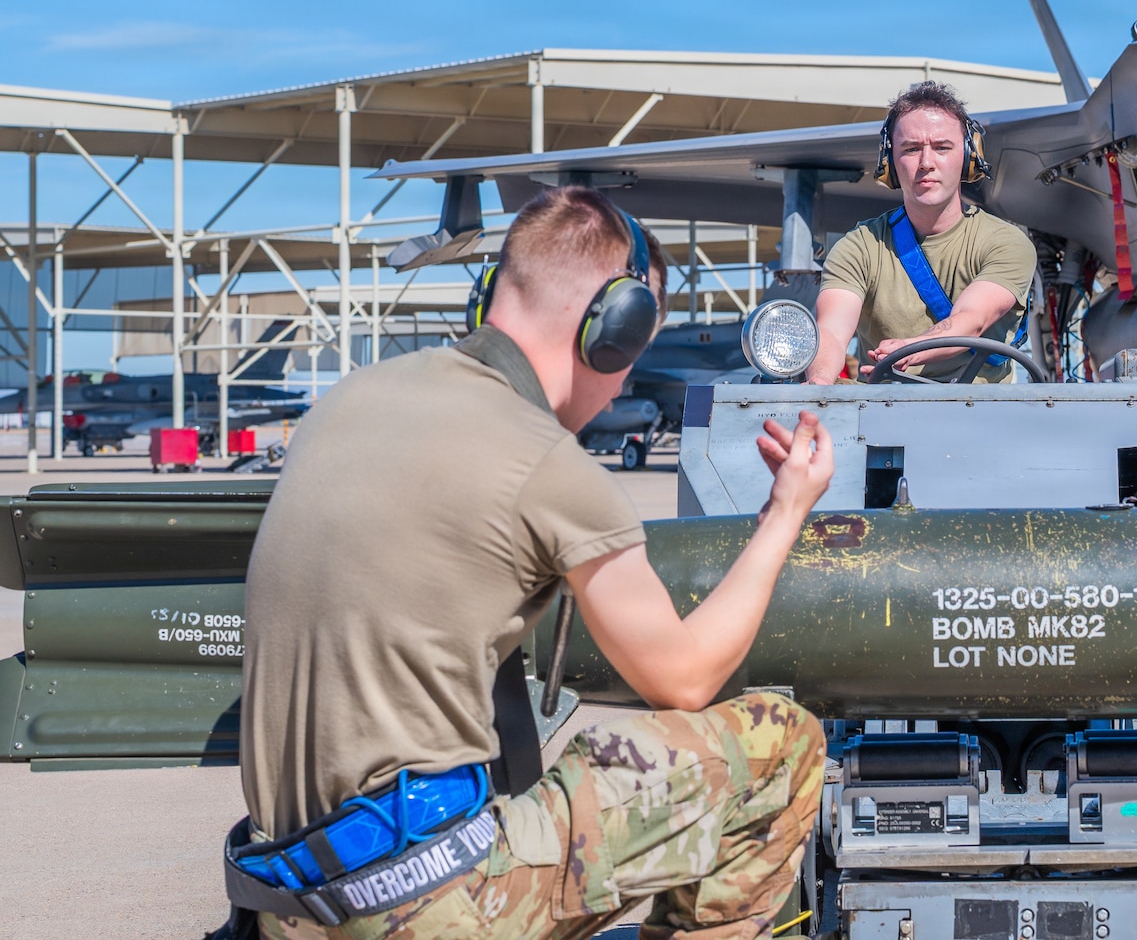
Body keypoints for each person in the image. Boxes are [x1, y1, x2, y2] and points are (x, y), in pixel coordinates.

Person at [224, 185, 834, 940]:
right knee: (782, 742)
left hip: (287, 901)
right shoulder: (544, 462)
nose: (621, 382)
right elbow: (685, 676)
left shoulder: (347, 402)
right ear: (614, 330)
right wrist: (786, 511)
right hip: (425, 904)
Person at [807, 80, 1039, 384]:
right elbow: (832, 333)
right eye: (911, 149)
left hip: (984, 417)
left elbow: (971, 320)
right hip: (881, 415)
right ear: (890, 161)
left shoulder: (1006, 243)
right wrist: (819, 388)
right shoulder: (861, 247)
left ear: (967, 157)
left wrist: (913, 347)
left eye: (942, 148)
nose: (926, 163)